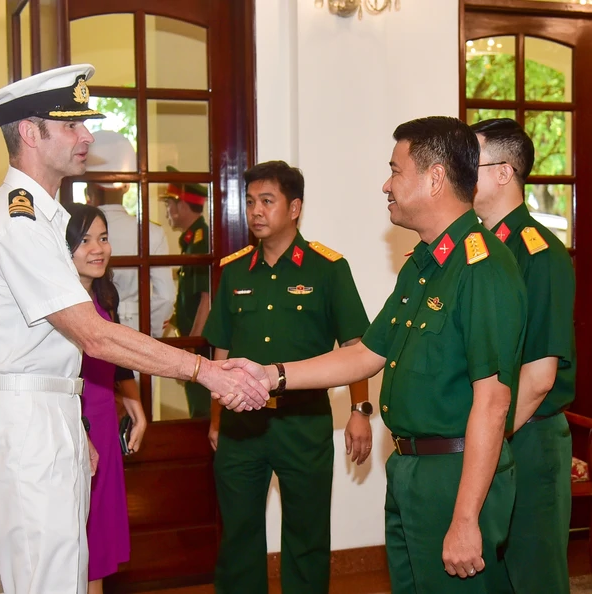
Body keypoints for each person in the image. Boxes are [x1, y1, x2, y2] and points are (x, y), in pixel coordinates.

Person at [0, 63, 266, 594]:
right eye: (73, 126)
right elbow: (94, 335)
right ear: (31, 134)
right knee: (47, 582)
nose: (87, 137)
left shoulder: (46, 217)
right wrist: (203, 370)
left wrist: (73, 425)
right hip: (29, 418)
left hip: (51, 409)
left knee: (68, 576)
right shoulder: (21, 221)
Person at [224, 117, 527, 593]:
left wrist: (466, 517)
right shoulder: (425, 265)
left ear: (434, 178)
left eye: (395, 170)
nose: (386, 185)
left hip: (455, 477)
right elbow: (366, 353)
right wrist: (270, 375)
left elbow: (492, 400)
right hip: (410, 470)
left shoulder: (481, 266)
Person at [203, 160, 372, 594]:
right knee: (238, 536)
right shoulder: (234, 270)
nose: (255, 211)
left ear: (294, 207)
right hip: (241, 425)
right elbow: (220, 351)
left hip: (304, 422)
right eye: (250, 201)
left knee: (307, 536)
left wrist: (359, 410)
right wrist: (216, 420)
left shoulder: (328, 268)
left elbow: (356, 347)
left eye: (267, 201)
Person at [471, 118, 576, 594]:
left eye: (469, 163)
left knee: (533, 574)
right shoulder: (477, 251)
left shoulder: (539, 254)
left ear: (503, 173)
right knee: (488, 573)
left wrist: (483, 441)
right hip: (491, 431)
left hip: (527, 436)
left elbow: (538, 379)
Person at [65, 203, 146, 594]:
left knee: (96, 539)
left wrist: (135, 403)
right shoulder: (59, 303)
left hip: (103, 419)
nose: (98, 248)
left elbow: (115, 355)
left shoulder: (102, 293)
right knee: (72, 537)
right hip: (72, 424)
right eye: (84, 241)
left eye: (103, 238)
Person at [85, 130, 175, 337]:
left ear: (88, 189)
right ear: (126, 186)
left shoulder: (78, 231)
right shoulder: (152, 232)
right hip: (137, 328)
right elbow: (167, 297)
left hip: (91, 327)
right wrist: (150, 333)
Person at [161, 170, 212, 417]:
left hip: (202, 349)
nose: (167, 211)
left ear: (181, 205)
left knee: (202, 414)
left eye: (169, 204)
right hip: (194, 344)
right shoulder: (191, 241)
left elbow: (207, 297)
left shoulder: (201, 242)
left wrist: (191, 346)